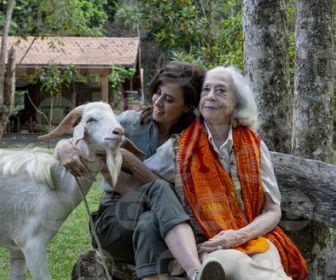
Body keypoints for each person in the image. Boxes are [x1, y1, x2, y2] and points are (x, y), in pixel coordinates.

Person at [146, 66, 308, 279]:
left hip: (253, 238)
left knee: (268, 264)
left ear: (237, 103)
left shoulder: (255, 147)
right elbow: (144, 174)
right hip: (209, 245)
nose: (210, 96)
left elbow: (272, 210)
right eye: (206, 90)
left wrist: (239, 235)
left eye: (221, 91)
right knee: (233, 263)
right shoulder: (178, 149)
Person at [54, 62, 205, 280]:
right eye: (158, 93)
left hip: (164, 230)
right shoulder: (127, 123)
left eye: (169, 99)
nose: (158, 103)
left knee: (149, 222)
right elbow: (78, 139)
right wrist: (63, 147)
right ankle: (196, 271)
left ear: (187, 107)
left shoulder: (193, 141)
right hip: (115, 225)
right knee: (159, 188)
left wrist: (132, 162)